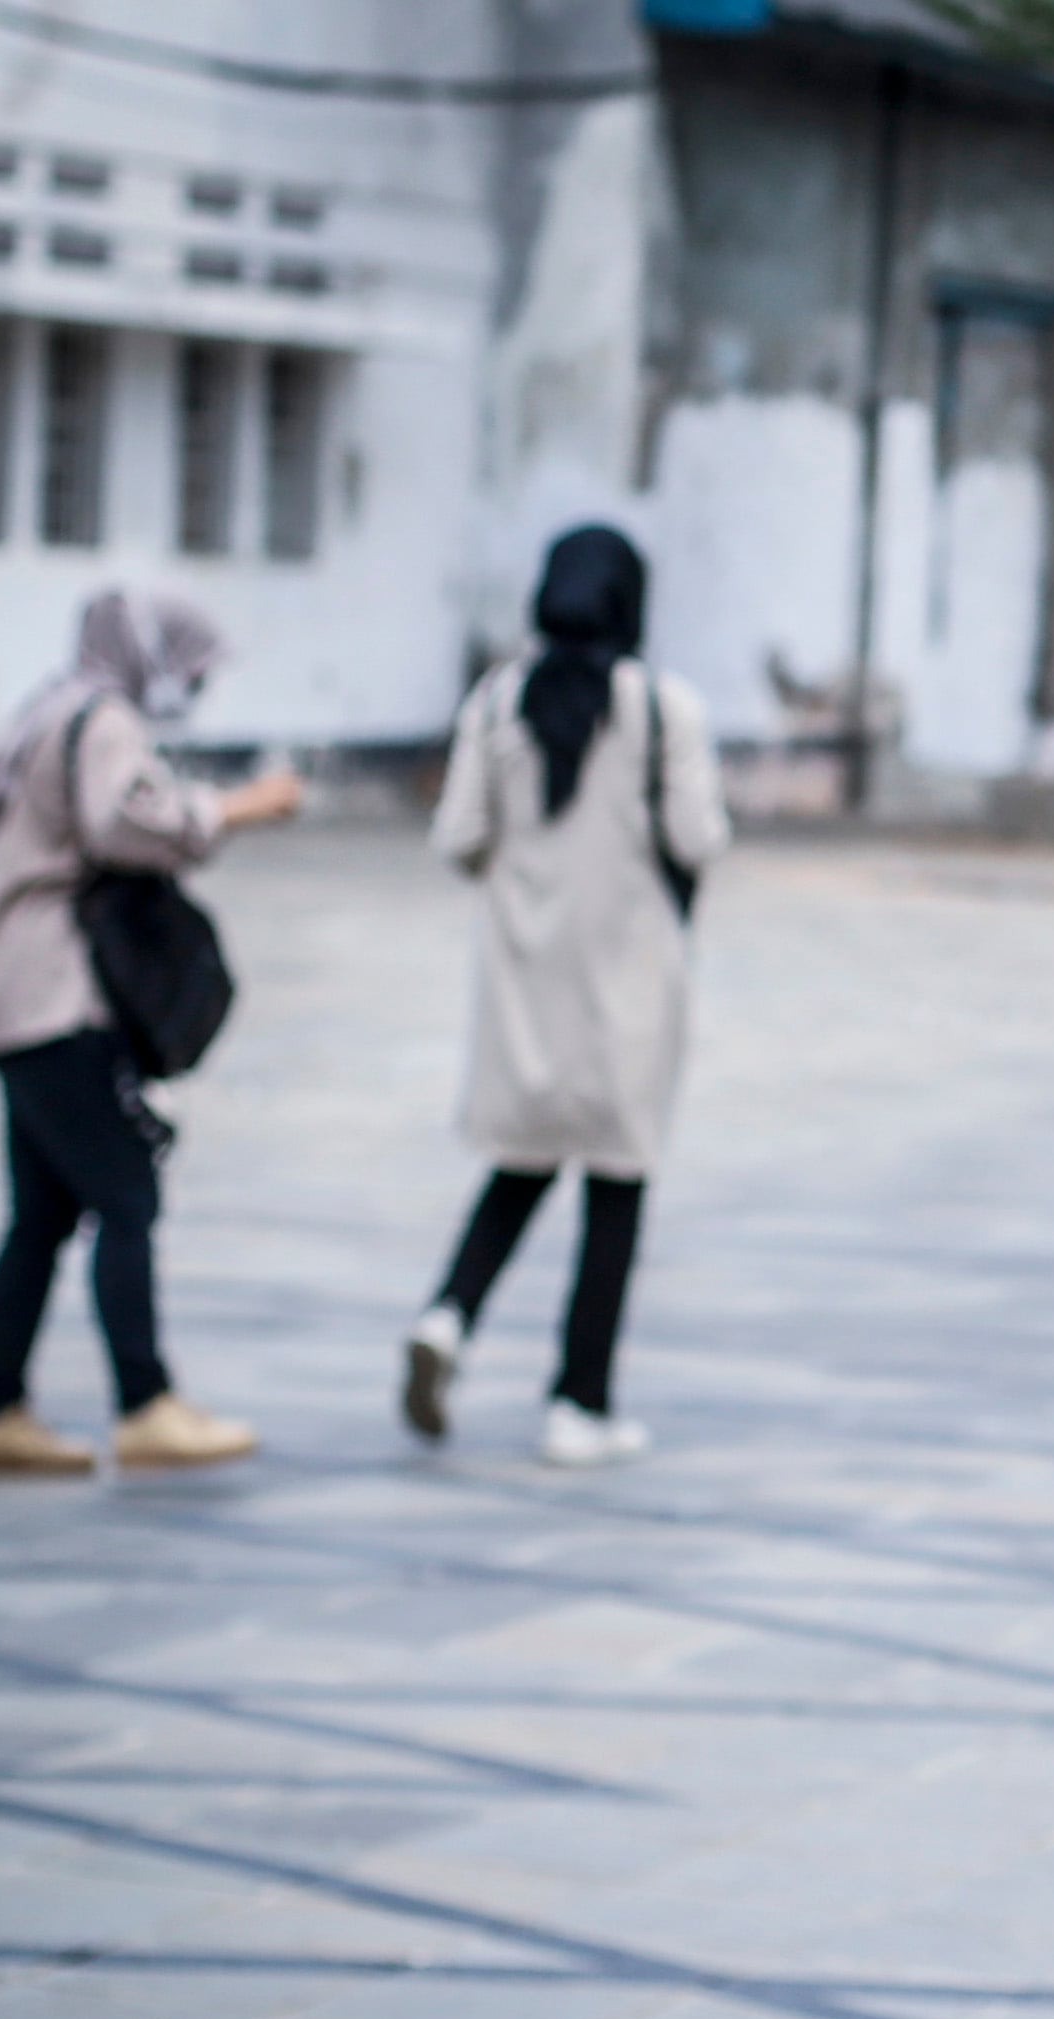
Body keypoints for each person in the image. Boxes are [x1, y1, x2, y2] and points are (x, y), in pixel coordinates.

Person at [0, 592, 303, 1478]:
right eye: (190, 666)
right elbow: (127, 819)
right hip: (60, 995)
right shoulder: (101, 718)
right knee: (128, 1196)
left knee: (41, 1212)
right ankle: (145, 1405)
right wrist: (243, 808)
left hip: (11, 994)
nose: (193, 685)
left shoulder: (45, 707)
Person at [399, 525, 727, 1467]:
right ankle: (578, 1401)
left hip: (525, 978)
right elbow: (699, 839)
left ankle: (448, 1316)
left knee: (520, 1162)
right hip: (630, 978)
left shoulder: (499, 700)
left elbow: (458, 837)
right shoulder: (664, 708)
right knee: (616, 1184)